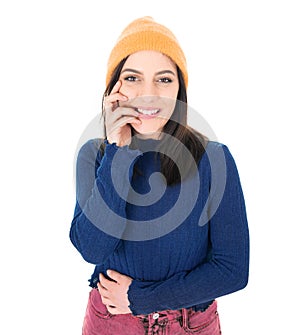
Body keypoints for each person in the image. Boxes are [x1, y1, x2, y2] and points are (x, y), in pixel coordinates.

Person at [70, 16, 249, 335]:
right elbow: (92, 249)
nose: (148, 93)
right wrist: (119, 153)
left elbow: (232, 270)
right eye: (133, 77)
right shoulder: (95, 154)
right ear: (114, 89)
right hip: (111, 322)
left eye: (164, 79)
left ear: (179, 89)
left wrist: (140, 298)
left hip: (190, 325)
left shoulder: (214, 159)